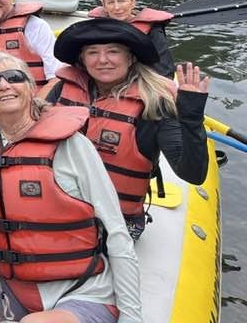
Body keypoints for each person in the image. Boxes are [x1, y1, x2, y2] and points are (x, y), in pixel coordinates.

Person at [0, 51, 143, 323]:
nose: (3, 85)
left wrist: (132, 317)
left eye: (13, 77)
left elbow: (117, 232)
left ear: (30, 88)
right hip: (10, 285)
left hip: (78, 291)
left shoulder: (71, 145)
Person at [44, 17, 209, 238]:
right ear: (82, 59)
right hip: (59, 206)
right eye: (92, 52)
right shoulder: (63, 90)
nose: (102, 60)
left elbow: (193, 174)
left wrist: (191, 118)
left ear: (130, 57)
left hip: (118, 220)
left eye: (113, 51)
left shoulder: (155, 104)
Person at [88, 0, 175, 76]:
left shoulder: (153, 30)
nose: (117, 7)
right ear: (104, 6)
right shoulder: (96, 26)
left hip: (141, 78)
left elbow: (164, 70)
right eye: (111, 2)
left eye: (121, 1)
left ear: (132, 2)